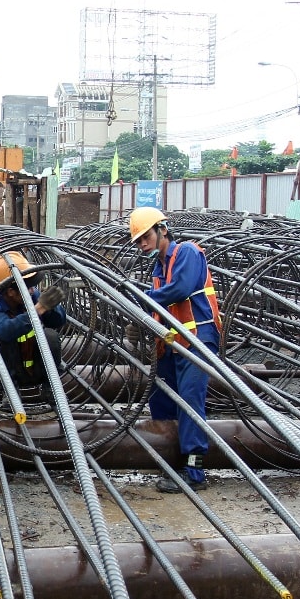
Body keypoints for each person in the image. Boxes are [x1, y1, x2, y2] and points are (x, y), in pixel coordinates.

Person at [129, 206, 221, 493]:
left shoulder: (187, 253)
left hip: (197, 338)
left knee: (190, 401)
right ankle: (169, 454)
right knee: (160, 393)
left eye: (146, 237)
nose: (143, 244)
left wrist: (140, 297)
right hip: (172, 341)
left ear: (163, 230)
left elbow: (179, 290)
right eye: (139, 241)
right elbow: (162, 309)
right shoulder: (159, 266)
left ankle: (194, 470)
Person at [0, 251, 69, 396]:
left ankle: (50, 385)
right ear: (11, 291)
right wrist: (38, 309)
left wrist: (52, 307)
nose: (31, 291)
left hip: (34, 369)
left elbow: (58, 322)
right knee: (4, 339)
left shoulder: (31, 294)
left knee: (51, 336)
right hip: (4, 372)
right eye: (26, 287)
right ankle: (9, 390)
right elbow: (5, 330)